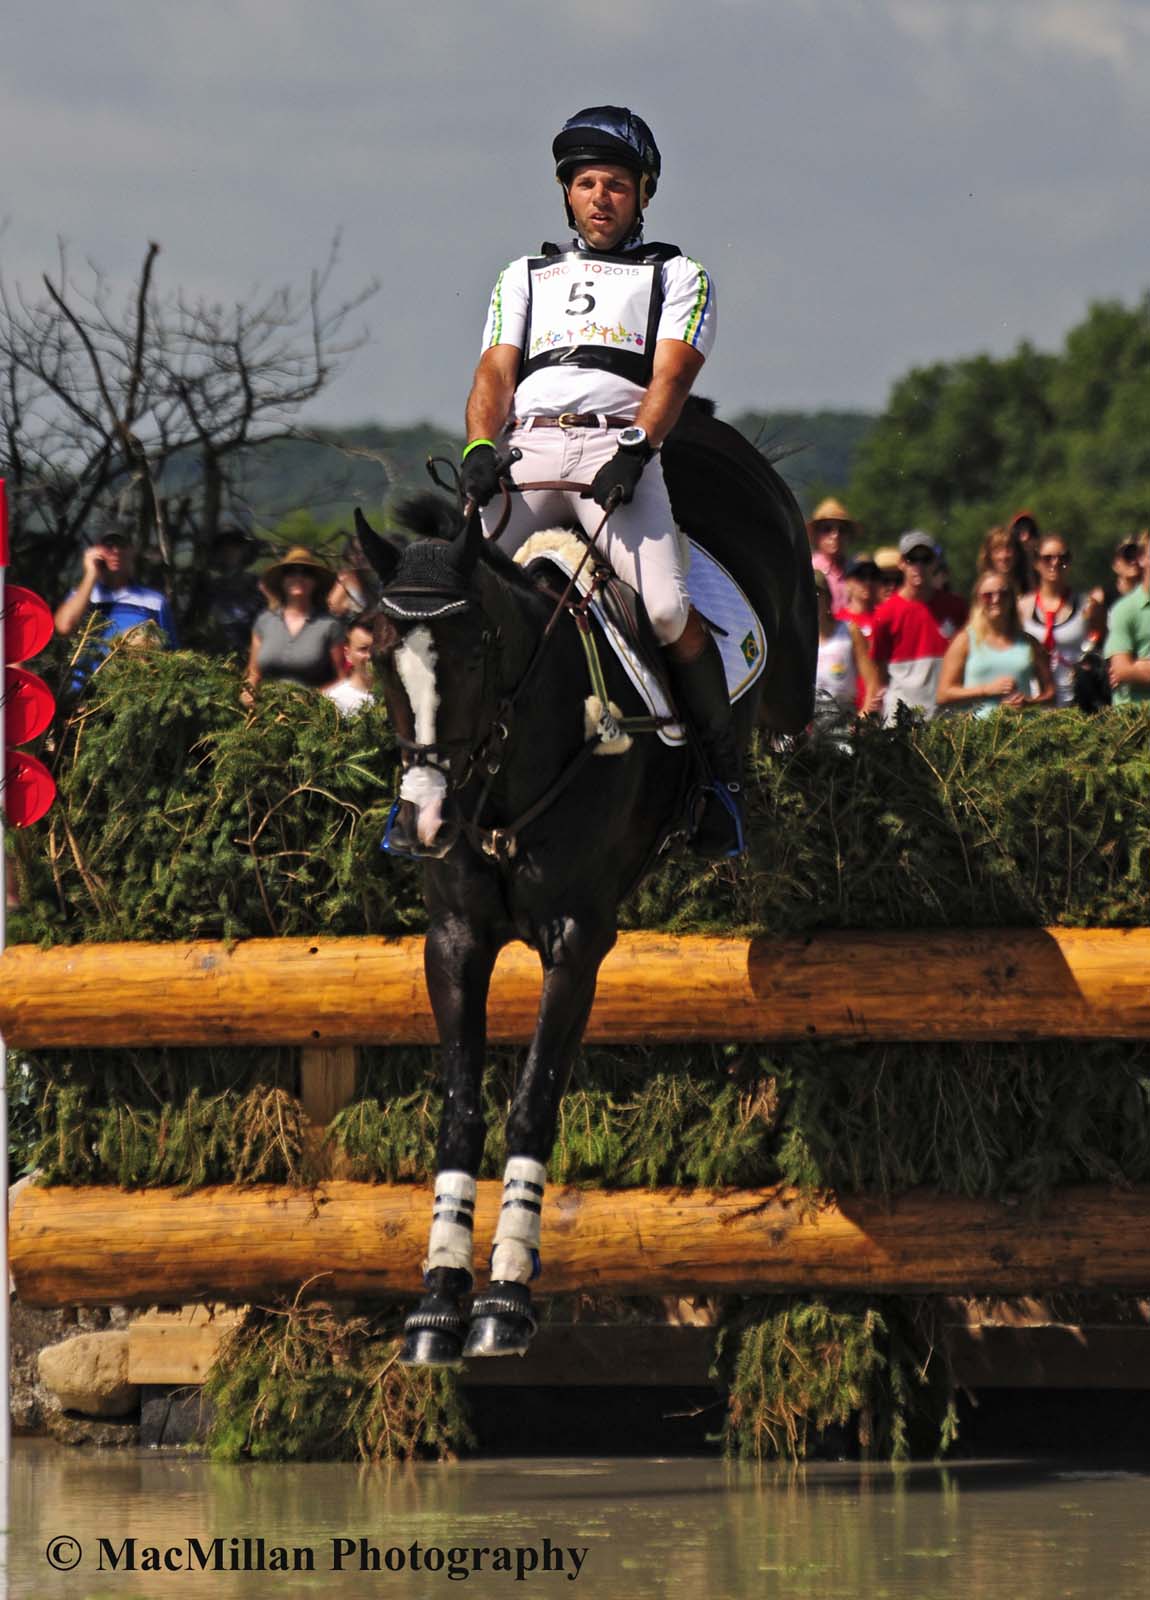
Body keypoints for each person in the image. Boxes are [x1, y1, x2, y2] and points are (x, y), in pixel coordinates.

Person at [458, 106, 740, 853]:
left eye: (616, 184)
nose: (600, 198)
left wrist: (639, 447)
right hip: (526, 452)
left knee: (669, 610)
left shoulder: (680, 276)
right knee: (451, 594)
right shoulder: (523, 274)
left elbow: (673, 375)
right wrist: (481, 445)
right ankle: (424, 782)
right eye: (585, 183)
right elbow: (493, 371)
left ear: (643, 193)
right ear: (567, 195)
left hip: (616, 455)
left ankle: (722, 783)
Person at [868, 531, 968, 722]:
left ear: (935, 563)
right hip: (901, 721)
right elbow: (879, 674)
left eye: (926, 559)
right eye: (912, 559)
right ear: (901, 563)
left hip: (947, 719)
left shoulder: (956, 607)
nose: (919, 566)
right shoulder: (885, 613)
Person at [937, 576, 1053, 716]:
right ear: (978, 600)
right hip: (978, 733)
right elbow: (943, 695)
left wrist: (1029, 703)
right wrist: (986, 690)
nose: (996, 599)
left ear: (1012, 599)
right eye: (988, 595)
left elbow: (1051, 693)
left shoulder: (1029, 642)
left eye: (1003, 594)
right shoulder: (964, 640)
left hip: (1023, 731)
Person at [54, 530, 178, 651]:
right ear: (97, 550)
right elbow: (64, 627)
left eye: (122, 545)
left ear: (131, 551)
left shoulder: (153, 602)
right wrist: (91, 574)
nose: (116, 551)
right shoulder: (82, 596)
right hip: (91, 672)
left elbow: (170, 654)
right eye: (109, 545)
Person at [245, 546, 344, 696]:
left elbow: (341, 678)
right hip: (264, 709)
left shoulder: (330, 625)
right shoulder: (264, 621)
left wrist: (316, 700)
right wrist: (247, 693)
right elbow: (253, 674)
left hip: (313, 713)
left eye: (307, 573)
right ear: (282, 581)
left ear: (315, 582)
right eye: (291, 572)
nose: (299, 577)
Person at [1020, 533, 1104, 708]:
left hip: (1078, 702)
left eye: (1062, 558)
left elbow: (1102, 648)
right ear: (1036, 563)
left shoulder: (1087, 605)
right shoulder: (1022, 607)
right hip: (1035, 702)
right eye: (1047, 558)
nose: (1055, 563)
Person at [812, 570, 881, 731]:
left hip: (845, 721)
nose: (811, 601)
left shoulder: (849, 631)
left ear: (828, 599)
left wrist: (862, 719)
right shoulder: (798, 638)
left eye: (816, 594)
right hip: (809, 726)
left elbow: (873, 683)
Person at [185, 526, 264, 654]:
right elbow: (195, 625)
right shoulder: (206, 588)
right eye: (224, 548)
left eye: (236, 547)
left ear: (245, 551)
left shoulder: (258, 586)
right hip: (213, 659)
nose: (230, 552)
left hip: (250, 658)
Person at [1105, 529, 1150, 705]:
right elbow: (1121, 670)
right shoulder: (1125, 609)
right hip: (1132, 722)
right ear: (1142, 559)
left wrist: (1139, 666)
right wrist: (1131, 668)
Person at [806, 497, 857, 613]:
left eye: (842, 530)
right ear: (816, 535)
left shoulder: (857, 571)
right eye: (827, 529)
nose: (835, 535)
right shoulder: (809, 569)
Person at [323, 618, 377, 717]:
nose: (370, 656)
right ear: (347, 653)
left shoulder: (398, 696)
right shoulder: (335, 700)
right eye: (363, 649)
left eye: (375, 648)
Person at [977, 525, 1029, 592]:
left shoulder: (1030, 585)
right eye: (997, 550)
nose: (1003, 556)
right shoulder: (984, 591)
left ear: (1017, 552)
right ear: (989, 555)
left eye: (1009, 549)